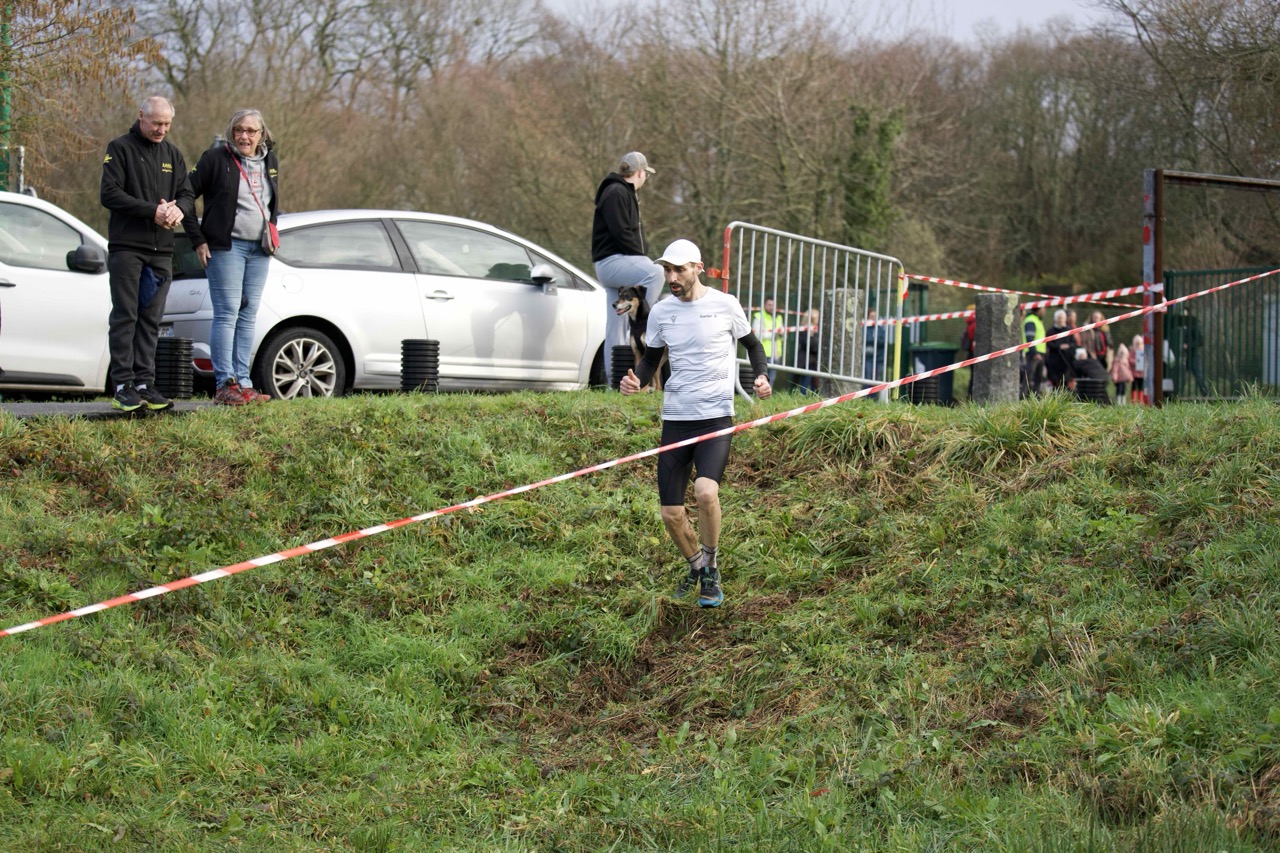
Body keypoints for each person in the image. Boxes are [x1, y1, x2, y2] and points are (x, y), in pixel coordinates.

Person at [620, 239, 771, 609]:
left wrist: (762, 376)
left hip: (715, 417)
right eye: (667, 270)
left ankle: (712, 568)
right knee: (671, 514)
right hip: (676, 418)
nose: (672, 277)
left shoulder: (725, 304)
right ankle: (696, 567)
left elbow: (753, 346)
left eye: (679, 269)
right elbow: (651, 360)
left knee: (705, 492)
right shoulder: (661, 312)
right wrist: (638, 380)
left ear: (698, 268)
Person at [100, 95, 196, 412]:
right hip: (127, 248)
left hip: (161, 251)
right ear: (141, 116)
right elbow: (109, 194)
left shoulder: (172, 154)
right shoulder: (119, 148)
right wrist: (151, 211)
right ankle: (123, 386)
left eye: (167, 124)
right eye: (156, 123)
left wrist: (180, 210)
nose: (161, 130)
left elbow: (186, 193)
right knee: (125, 316)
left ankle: (145, 383)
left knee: (151, 320)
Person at [185, 109, 279, 405]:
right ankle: (225, 384)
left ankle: (244, 383)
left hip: (259, 250)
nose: (244, 136)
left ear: (261, 135)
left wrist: (272, 232)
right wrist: (198, 239)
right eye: (239, 130)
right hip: (226, 248)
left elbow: (271, 202)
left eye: (251, 131)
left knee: (248, 315)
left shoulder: (270, 161)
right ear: (231, 132)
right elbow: (185, 195)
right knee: (227, 313)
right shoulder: (215, 159)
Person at [591, 151, 663, 384]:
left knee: (615, 326)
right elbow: (621, 233)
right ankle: (642, 320)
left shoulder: (622, 192)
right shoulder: (617, 192)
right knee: (656, 272)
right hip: (613, 262)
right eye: (646, 174)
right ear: (639, 173)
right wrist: (641, 257)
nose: (645, 179)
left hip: (614, 262)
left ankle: (615, 381)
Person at [751, 296, 786, 385]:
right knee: (760, 379)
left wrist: (782, 333)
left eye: (773, 305)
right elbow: (757, 334)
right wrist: (774, 333)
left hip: (775, 354)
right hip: (762, 353)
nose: (771, 307)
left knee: (771, 379)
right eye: (769, 305)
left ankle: (768, 393)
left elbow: (784, 335)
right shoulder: (759, 316)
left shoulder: (778, 318)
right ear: (764, 305)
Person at [1045, 309, 1076, 390]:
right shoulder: (1050, 331)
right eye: (1059, 318)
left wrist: (1068, 346)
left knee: (1066, 381)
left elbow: (1073, 343)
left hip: (1066, 360)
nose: (1060, 320)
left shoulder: (1069, 330)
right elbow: (1049, 344)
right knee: (1055, 382)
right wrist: (1059, 346)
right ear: (1055, 319)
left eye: (1062, 318)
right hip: (1054, 360)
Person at [793, 308, 821, 394]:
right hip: (805, 360)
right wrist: (811, 336)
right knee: (805, 383)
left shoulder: (819, 329)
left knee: (814, 385)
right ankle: (802, 396)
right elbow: (806, 344)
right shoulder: (804, 329)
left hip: (815, 361)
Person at [1021, 305, 1047, 397]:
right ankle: (1023, 398)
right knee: (1028, 377)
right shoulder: (1031, 320)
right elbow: (1029, 338)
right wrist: (1034, 352)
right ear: (1039, 309)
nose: (1044, 310)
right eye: (1043, 308)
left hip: (1040, 352)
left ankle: (1036, 398)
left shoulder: (1037, 320)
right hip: (1033, 353)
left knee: (1038, 378)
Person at [1111, 338, 1133, 404]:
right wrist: (1114, 378)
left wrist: (1130, 378)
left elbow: (1128, 371)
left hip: (1124, 380)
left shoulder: (1126, 362)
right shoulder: (1117, 361)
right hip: (1119, 380)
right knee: (1119, 390)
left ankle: (1123, 402)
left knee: (1124, 390)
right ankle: (1118, 402)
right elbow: (1115, 371)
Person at [1130, 333, 1146, 404]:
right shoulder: (1133, 351)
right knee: (1134, 386)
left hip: (1142, 374)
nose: (1139, 345)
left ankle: (1140, 401)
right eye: (1137, 343)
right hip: (1134, 374)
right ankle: (1133, 401)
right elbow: (1130, 359)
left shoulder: (1144, 351)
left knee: (1141, 387)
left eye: (1140, 343)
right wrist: (1136, 362)